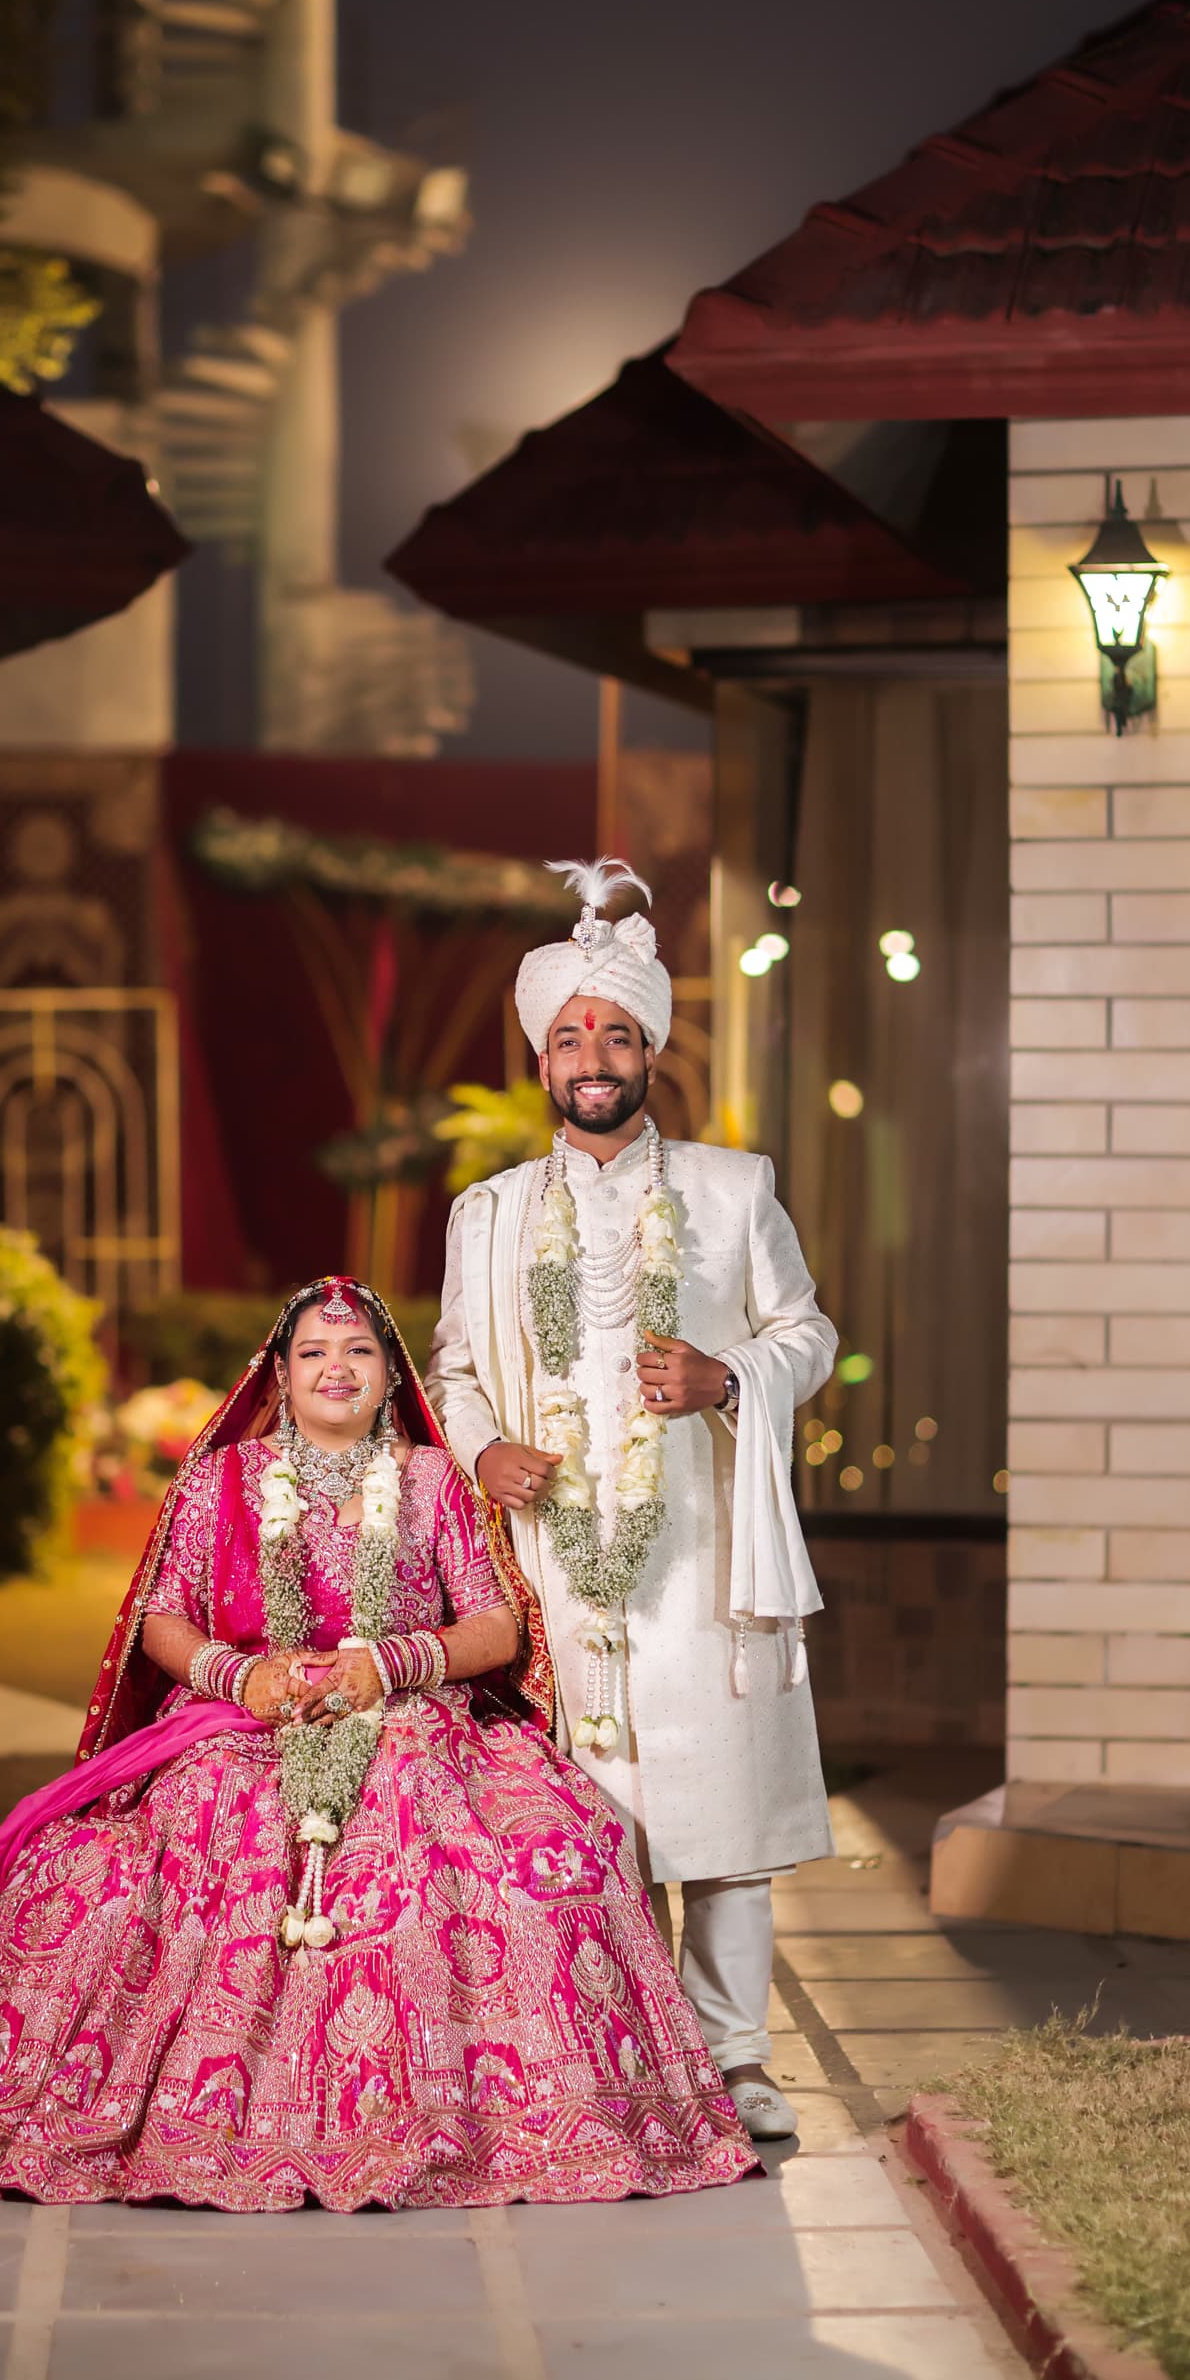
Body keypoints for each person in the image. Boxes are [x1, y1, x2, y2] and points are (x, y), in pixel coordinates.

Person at [0, 1275, 756, 2210]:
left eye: (358, 1352)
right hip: (246, 1723)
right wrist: (243, 1677)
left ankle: (497, 2119)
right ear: (280, 1373)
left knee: (531, 1842)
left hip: (414, 1716)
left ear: (391, 1375)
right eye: (312, 1353)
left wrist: (390, 1664)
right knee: (123, 1863)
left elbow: (497, 1626)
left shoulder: (431, 1479)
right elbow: (163, 1617)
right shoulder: (223, 1480)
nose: (335, 1368)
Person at [426, 858, 837, 2142]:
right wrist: (485, 1444)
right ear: (541, 1063)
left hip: (704, 1550)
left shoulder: (732, 1185)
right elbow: (446, 1368)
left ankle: (737, 2057)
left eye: (614, 1030)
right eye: (567, 1035)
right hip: (552, 1556)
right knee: (582, 1816)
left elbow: (808, 1331)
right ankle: (608, 2048)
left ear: (649, 1046)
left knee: (720, 1813)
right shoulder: (486, 1215)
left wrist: (730, 1375)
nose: (591, 1053)